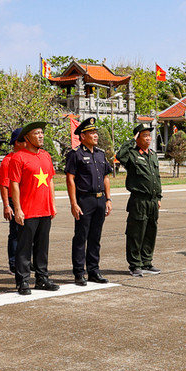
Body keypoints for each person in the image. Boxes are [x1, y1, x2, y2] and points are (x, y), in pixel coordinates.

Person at [7, 121, 59, 294]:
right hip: (28, 210)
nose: (41, 136)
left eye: (42, 133)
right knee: (24, 247)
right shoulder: (18, 157)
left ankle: (42, 278)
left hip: (44, 209)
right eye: (37, 133)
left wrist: (52, 203)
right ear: (27, 138)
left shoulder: (46, 155)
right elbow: (13, 184)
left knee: (42, 246)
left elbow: (50, 180)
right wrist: (18, 209)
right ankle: (22, 281)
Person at [64, 117, 112, 286]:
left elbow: (106, 177)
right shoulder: (76, 154)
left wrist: (108, 199)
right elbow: (70, 179)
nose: (95, 135)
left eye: (95, 132)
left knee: (95, 237)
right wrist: (73, 203)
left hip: (100, 200)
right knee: (81, 237)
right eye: (91, 132)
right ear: (82, 136)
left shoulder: (100, 154)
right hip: (84, 200)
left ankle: (94, 270)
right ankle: (79, 272)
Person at [117, 122, 164, 273]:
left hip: (152, 201)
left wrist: (158, 197)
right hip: (139, 200)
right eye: (144, 136)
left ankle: (147, 262)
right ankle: (135, 264)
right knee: (136, 233)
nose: (148, 138)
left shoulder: (152, 155)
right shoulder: (132, 154)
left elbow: (156, 178)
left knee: (151, 231)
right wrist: (131, 140)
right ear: (137, 138)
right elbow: (120, 155)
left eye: (149, 135)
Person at [0, 128, 27, 272]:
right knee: (16, 233)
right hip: (13, 200)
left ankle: (26, 261)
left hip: (27, 200)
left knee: (28, 233)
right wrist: (6, 206)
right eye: (23, 140)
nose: (26, 143)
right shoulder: (8, 161)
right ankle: (14, 263)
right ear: (16, 143)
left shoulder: (28, 157)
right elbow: (4, 185)